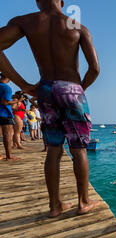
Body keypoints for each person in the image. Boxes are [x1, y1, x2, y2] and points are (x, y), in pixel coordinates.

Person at [0, 0, 101, 217]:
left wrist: (24, 84)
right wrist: (77, 89)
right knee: (78, 148)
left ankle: (54, 205)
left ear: (38, 1)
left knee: (53, 150)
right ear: (62, 1)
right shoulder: (77, 27)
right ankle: (83, 202)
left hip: (46, 89)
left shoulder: (26, 22)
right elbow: (94, 69)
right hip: (72, 89)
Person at [0, 72, 19, 161]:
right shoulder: (6, 88)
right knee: (7, 135)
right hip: (5, 114)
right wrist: (15, 101)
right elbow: (4, 102)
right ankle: (9, 156)